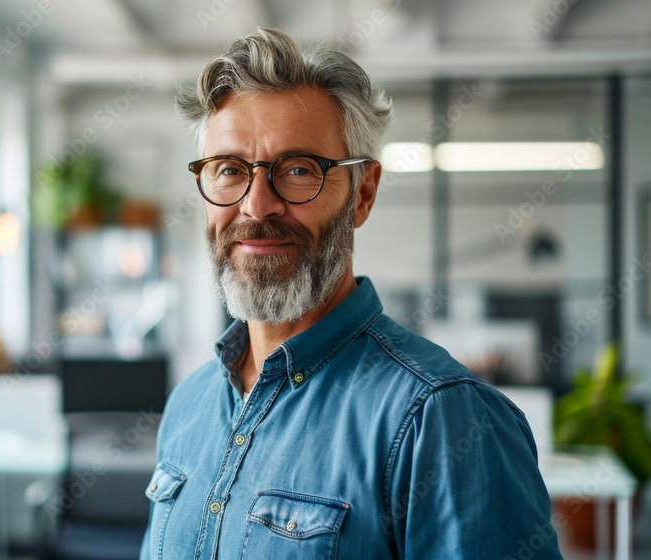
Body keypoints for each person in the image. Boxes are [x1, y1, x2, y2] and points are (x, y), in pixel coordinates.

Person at [139, 27, 561, 559]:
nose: (256, 205)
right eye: (229, 170)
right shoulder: (189, 405)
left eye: (297, 170)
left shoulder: (442, 418)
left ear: (362, 194)